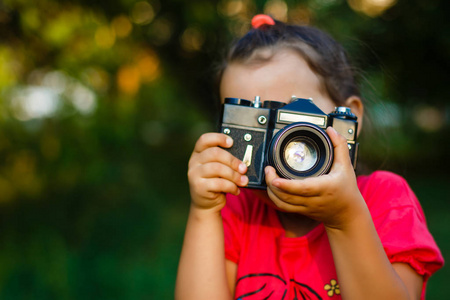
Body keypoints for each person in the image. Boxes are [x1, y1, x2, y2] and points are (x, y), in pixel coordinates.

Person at [175, 14, 444, 300]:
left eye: (294, 123)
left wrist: (346, 219)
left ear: (349, 119)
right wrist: (203, 213)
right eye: (259, 122)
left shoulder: (387, 201)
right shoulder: (238, 209)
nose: (277, 149)